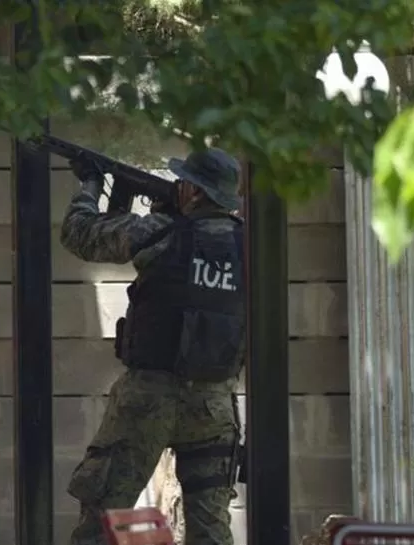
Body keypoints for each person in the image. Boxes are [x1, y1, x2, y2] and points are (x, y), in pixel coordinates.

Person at [60, 148, 246, 545]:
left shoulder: (159, 231)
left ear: (193, 191)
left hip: (148, 400)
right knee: (211, 531)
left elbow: (80, 233)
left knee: (101, 520)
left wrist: (90, 184)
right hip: (214, 406)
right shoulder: (248, 248)